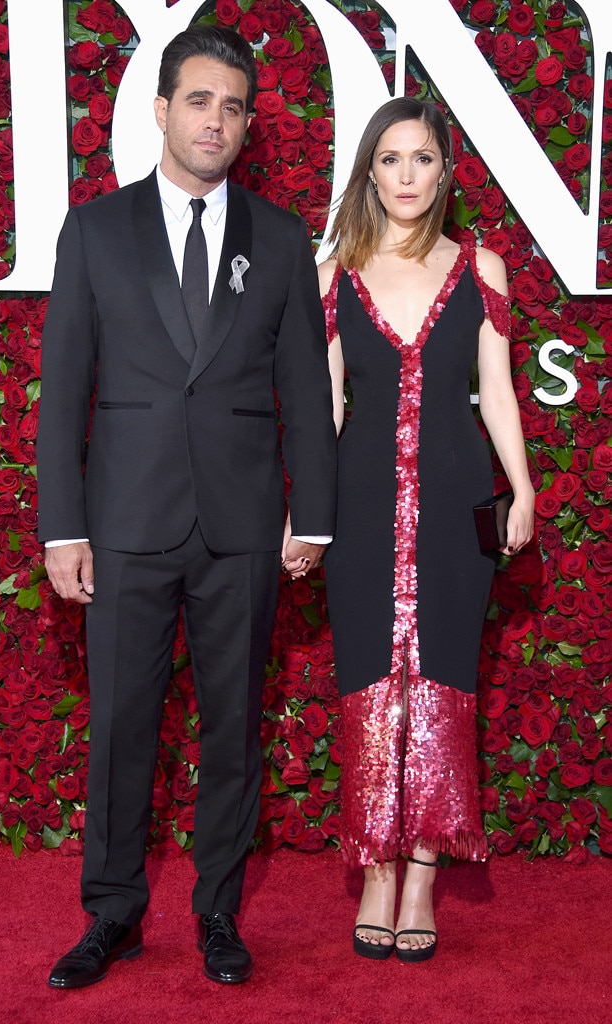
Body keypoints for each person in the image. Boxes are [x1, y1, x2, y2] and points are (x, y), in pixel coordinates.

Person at [37, 24, 336, 988]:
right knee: (123, 726)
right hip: (123, 523)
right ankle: (114, 914)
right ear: (162, 110)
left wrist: (315, 514)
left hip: (244, 527)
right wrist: (63, 525)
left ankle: (216, 913)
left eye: (235, 107)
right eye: (200, 100)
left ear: (249, 126)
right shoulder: (95, 229)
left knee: (233, 726)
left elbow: (303, 387)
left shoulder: (281, 239)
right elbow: (64, 387)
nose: (217, 120)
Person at [318, 97, 534, 962]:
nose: (406, 175)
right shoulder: (332, 271)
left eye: (422, 160)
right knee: (370, 680)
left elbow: (500, 391)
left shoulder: (482, 269)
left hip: (454, 502)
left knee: (442, 681)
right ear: (370, 173)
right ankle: (374, 867)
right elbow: (326, 405)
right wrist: (302, 517)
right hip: (359, 509)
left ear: (444, 172)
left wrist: (522, 490)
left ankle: (420, 879)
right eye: (390, 160)